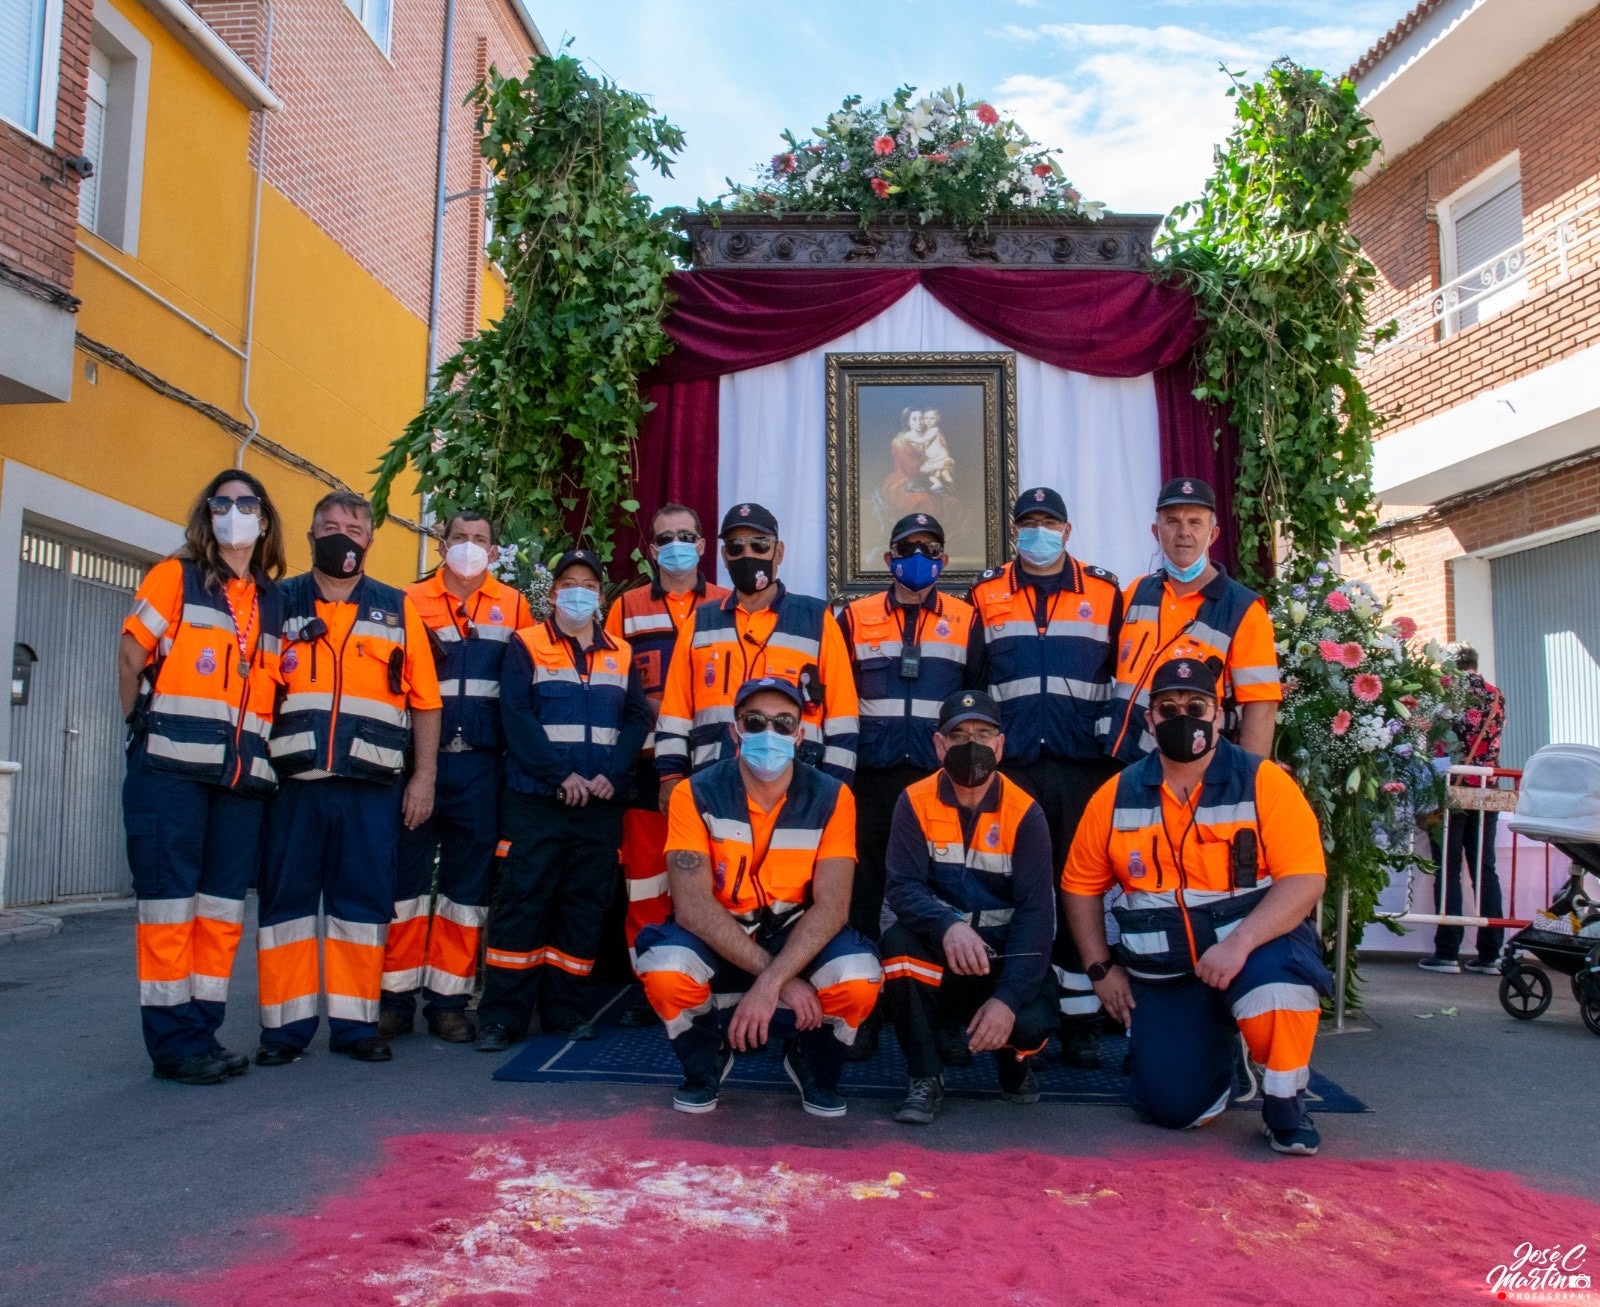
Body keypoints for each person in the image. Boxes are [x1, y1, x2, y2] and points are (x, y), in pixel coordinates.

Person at [1063, 653, 1331, 1156]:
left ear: (1219, 713)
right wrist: (1100, 968)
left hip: (1253, 950)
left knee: (1277, 997)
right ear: (1150, 720)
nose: (1182, 716)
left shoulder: (1264, 781)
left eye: (1196, 705)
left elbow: (1304, 879)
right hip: (1165, 970)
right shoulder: (1114, 795)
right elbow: (1080, 885)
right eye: (1167, 708)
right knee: (1172, 1111)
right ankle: (1223, 1057)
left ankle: (1284, 1106)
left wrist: (1241, 944)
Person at [635, 677, 882, 1117]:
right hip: (720, 930)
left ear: (800, 734)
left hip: (796, 935)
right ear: (735, 730)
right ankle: (705, 1059)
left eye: (784, 723)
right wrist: (781, 982)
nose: (770, 733)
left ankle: (812, 1060)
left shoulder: (834, 796)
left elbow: (832, 908)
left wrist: (770, 983)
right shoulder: (694, 792)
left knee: (859, 977)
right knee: (664, 970)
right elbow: (691, 907)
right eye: (755, 721)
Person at [255, 491, 441, 1066]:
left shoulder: (397, 606)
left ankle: (356, 1026)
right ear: (310, 537)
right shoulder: (276, 601)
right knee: (285, 907)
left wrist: (424, 778)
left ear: (369, 541)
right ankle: (284, 1031)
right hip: (292, 785)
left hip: (372, 787)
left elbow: (426, 703)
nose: (343, 535)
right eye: (329, 526)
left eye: (354, 527)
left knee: (360, 908)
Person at [118, 470, 286, 1085]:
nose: (235, 512)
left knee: (219, 913)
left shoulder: (272, 600)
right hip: (169, 771)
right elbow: (132, 652)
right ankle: (172, 1044)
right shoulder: (176, 576)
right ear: (208, 514)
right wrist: (138, 720)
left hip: (241, 779)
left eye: (247, 504)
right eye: (223, 502)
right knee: (169, 909)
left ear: (264, 521)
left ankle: (202, 1030)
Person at [967, 486, 1122, 1067]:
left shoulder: (1107, 592)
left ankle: (1082, 1022)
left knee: (1077, 888)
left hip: (1083, 768)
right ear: (1014, 532)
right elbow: (975, 684)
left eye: (1048, 522)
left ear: (1068, 529)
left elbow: (1121, 677)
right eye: (1028, 523)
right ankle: (1022, 1009)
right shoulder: (985, 593)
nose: (1039, 532)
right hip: (1013, 773)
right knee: (1022, 891)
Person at [475, 550, 652, 1051]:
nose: (580, 591)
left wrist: (612, 776)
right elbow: (516, 715)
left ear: (600, 595)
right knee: (522, 902)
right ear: (553, 593)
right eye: (569, 582)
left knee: (583, 907)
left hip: (599, 805)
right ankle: (504, 1017)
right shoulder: (524, 644)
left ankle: (564, 1010)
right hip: (537, 801)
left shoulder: (620, 651)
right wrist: (560, 775)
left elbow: (637, 717)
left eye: (589, 584)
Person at [378, 511, 533, 1043]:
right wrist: (418, 768)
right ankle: (394, 998)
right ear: (442, 544)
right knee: (406, 884)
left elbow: (520, 688)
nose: (469, 547)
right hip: (419, 762)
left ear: (494, 552)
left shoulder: (514, 605)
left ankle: (447, 1002)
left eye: (480, 540)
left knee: (466, 892)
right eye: (460, 538)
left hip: (482, 767)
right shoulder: (408, 600)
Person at [837, 512, 979, 1059]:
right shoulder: (854, 616)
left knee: (943, 892)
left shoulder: (967, 620)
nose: (919, 556)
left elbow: (975, 700)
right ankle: (863, 1012)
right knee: (863, 895)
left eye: (931, 547)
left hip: (937, 782)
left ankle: (942, 1013)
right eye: (908, 547)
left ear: (944, 560)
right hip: (870, 778)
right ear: (888, 557)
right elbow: (839, 697)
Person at [880, 691, 1058, 1124]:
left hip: (1001, 957)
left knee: (1030, 1022)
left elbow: (1038, 914)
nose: (971, 745)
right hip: (942, 954)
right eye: (958, 736)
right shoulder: (914, 800)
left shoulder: (1026, 812)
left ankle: (1014, 1065)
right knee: (899, 947)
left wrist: (1007, 999)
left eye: (982, 734)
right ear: (939, 746)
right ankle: (924, 1078)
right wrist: (947, 925)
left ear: (1001, 744)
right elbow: (901, 887)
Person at [605, 503, 730, 1021]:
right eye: (664, 536)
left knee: (718, 878)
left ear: (702, 544)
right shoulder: (627, 607)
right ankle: (649, 983)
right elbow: (607, 676)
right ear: (651, 549)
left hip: (716, 765)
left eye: (686, 534)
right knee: (648, 881)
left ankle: (718, 979)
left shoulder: (727, 603)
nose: (676, 543)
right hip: (646, 764)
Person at [654, 502, 858, 796]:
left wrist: (837, 787)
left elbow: (842, 714)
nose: (747, 554)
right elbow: (675, 711)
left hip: (799, 782)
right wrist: (670, 776)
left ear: (779, 552)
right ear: (725, 556)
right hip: (712, 778)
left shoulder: (815, 618)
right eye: (736, 546)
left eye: (759, 544)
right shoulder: (701, 621)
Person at [1106, 477, 1281, 763]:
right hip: (1123, 762)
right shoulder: (1137, 592)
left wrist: (1249, 784)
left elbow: (1261, 705)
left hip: (1195, 766)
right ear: (1156, 531)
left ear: (1212, 534)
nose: (1183, 532)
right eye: (1172, 521)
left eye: (1195, 522)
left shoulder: (1243, 608)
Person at [1419, 645, 1508, 976]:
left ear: (1451, 665)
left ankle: (1447, 952)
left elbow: (1435, 743)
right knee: (1485, 869)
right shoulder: (1497, 695)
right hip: (1486, 790)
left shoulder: (1445, 692)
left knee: (1448, 868)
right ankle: (1490, 954)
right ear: (1475, 662)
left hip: (1452, 789)